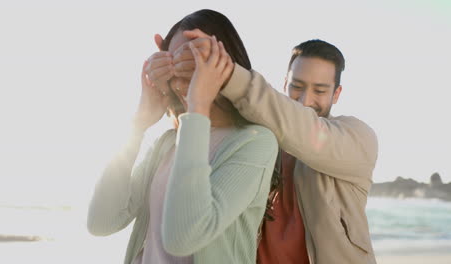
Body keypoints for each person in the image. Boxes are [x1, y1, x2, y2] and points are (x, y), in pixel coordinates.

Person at [87, 9, 278, 264]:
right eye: (172, 62)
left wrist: (199, 104)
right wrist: (139, 124)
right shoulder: (167, 143)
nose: (182, 73)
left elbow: (183, 237)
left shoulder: (255, 143)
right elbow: (101, 222)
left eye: (194, 59)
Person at [181, 31, 378, 264]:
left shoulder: (357, 138)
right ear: (285, 84)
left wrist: (229, 74)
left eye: (320, 91)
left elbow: (303, 128)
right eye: (297, 86)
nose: (305, 100)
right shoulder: (259, 141)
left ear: (336, 94)